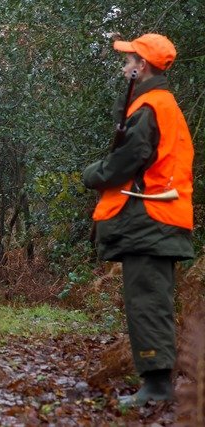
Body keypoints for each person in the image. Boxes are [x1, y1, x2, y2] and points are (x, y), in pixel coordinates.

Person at [83, 33, 194, 407]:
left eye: (129, 59)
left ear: (141, 66)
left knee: (147, 301)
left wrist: (94, 174)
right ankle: (157, 383)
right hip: (159, 218)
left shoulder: (150, 106)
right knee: (153, 299)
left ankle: (157, 389)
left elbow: (128, 160)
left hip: (150, 218)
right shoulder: (163, 104)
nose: (124, 64)